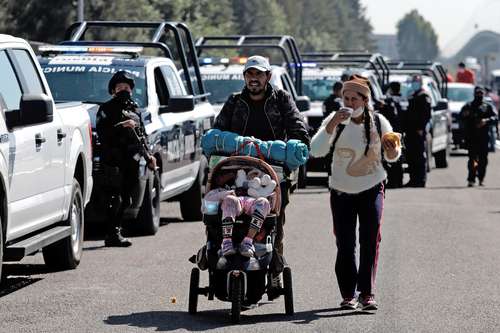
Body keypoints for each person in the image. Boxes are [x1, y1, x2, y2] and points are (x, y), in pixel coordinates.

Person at [213, 55, 310, 299]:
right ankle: (218, 258)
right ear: (244, 77)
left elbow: (298, 128)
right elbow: (219, 129)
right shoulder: (235, 101)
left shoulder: (281, 99)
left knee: (273, 222)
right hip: (238, 171)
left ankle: (274, 270)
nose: (254, 78)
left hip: (273, 173)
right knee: (221, 213)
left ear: (268, 76)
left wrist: (293, 147)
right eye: (249, 74)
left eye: (258, 74)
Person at [310, 75, 401, 310]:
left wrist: (392, 149)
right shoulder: (335, 120)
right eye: (345, 98)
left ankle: (367, 293)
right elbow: (317, 150)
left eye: (354, 98)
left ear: (365, 99)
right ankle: (348, 294)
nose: (349, 103)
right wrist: (331, 125)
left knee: (370, 240)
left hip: (372, 187)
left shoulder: (379, 122)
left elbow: (392, 155)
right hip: (341, 190)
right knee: (345, 243)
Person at [96, 71, 157, 247]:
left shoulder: (134, 109)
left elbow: (142, 135)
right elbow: (103, 135)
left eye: (127, 87)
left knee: (128, 199)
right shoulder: (106, 109)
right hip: (114, 162)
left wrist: (149, 156)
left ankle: (117, 230)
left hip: (132, 161)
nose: (124, 90)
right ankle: (112, 234)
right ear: (113, 90)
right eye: (120, 87)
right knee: (116, 198)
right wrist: (120, 126)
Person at [459, 86, 498, 187]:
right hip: (472, 137)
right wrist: (465, 115)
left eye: (481, 93)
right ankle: (471, 179)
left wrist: (486, 121)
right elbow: (460, 117)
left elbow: (495, 118)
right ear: (474, 94)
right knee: (473, 159)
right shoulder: (468, 106)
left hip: (484, 138)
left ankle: (481, 178)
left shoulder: (487, 106)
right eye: (477, 93)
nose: (479, 95)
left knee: (483, 160)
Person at [405, 75, 431, 187]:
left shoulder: (424, 96)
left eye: (416, 82)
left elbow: (426, 115)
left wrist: (421, 127)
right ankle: (413, 179)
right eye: (413, 82)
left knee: (419, 156)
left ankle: (420, 180)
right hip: (410, 131)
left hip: (418, 131)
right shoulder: (413, 95)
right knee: (411, 156)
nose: (414, 83)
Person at [380, 81, 404, 188]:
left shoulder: (388, 101)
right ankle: (398, 181)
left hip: (391, 132)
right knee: (397, 157)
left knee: (392, 157)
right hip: (399, 131)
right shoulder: (403, 100)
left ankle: (394, 181)